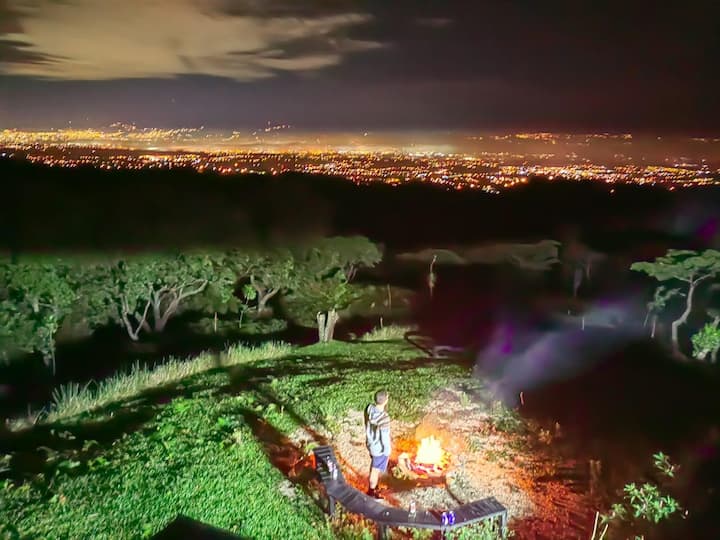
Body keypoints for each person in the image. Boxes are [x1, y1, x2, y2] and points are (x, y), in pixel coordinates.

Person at [365, 389, 391, 498]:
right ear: (385, 401)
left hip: (370, 443)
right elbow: (384, 439)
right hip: (379, 449)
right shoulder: (384, 418)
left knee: (374, 465)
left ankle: (373, 486)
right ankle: (371, 492)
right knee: (375, 470)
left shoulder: (369, 408)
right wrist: (387, 451)